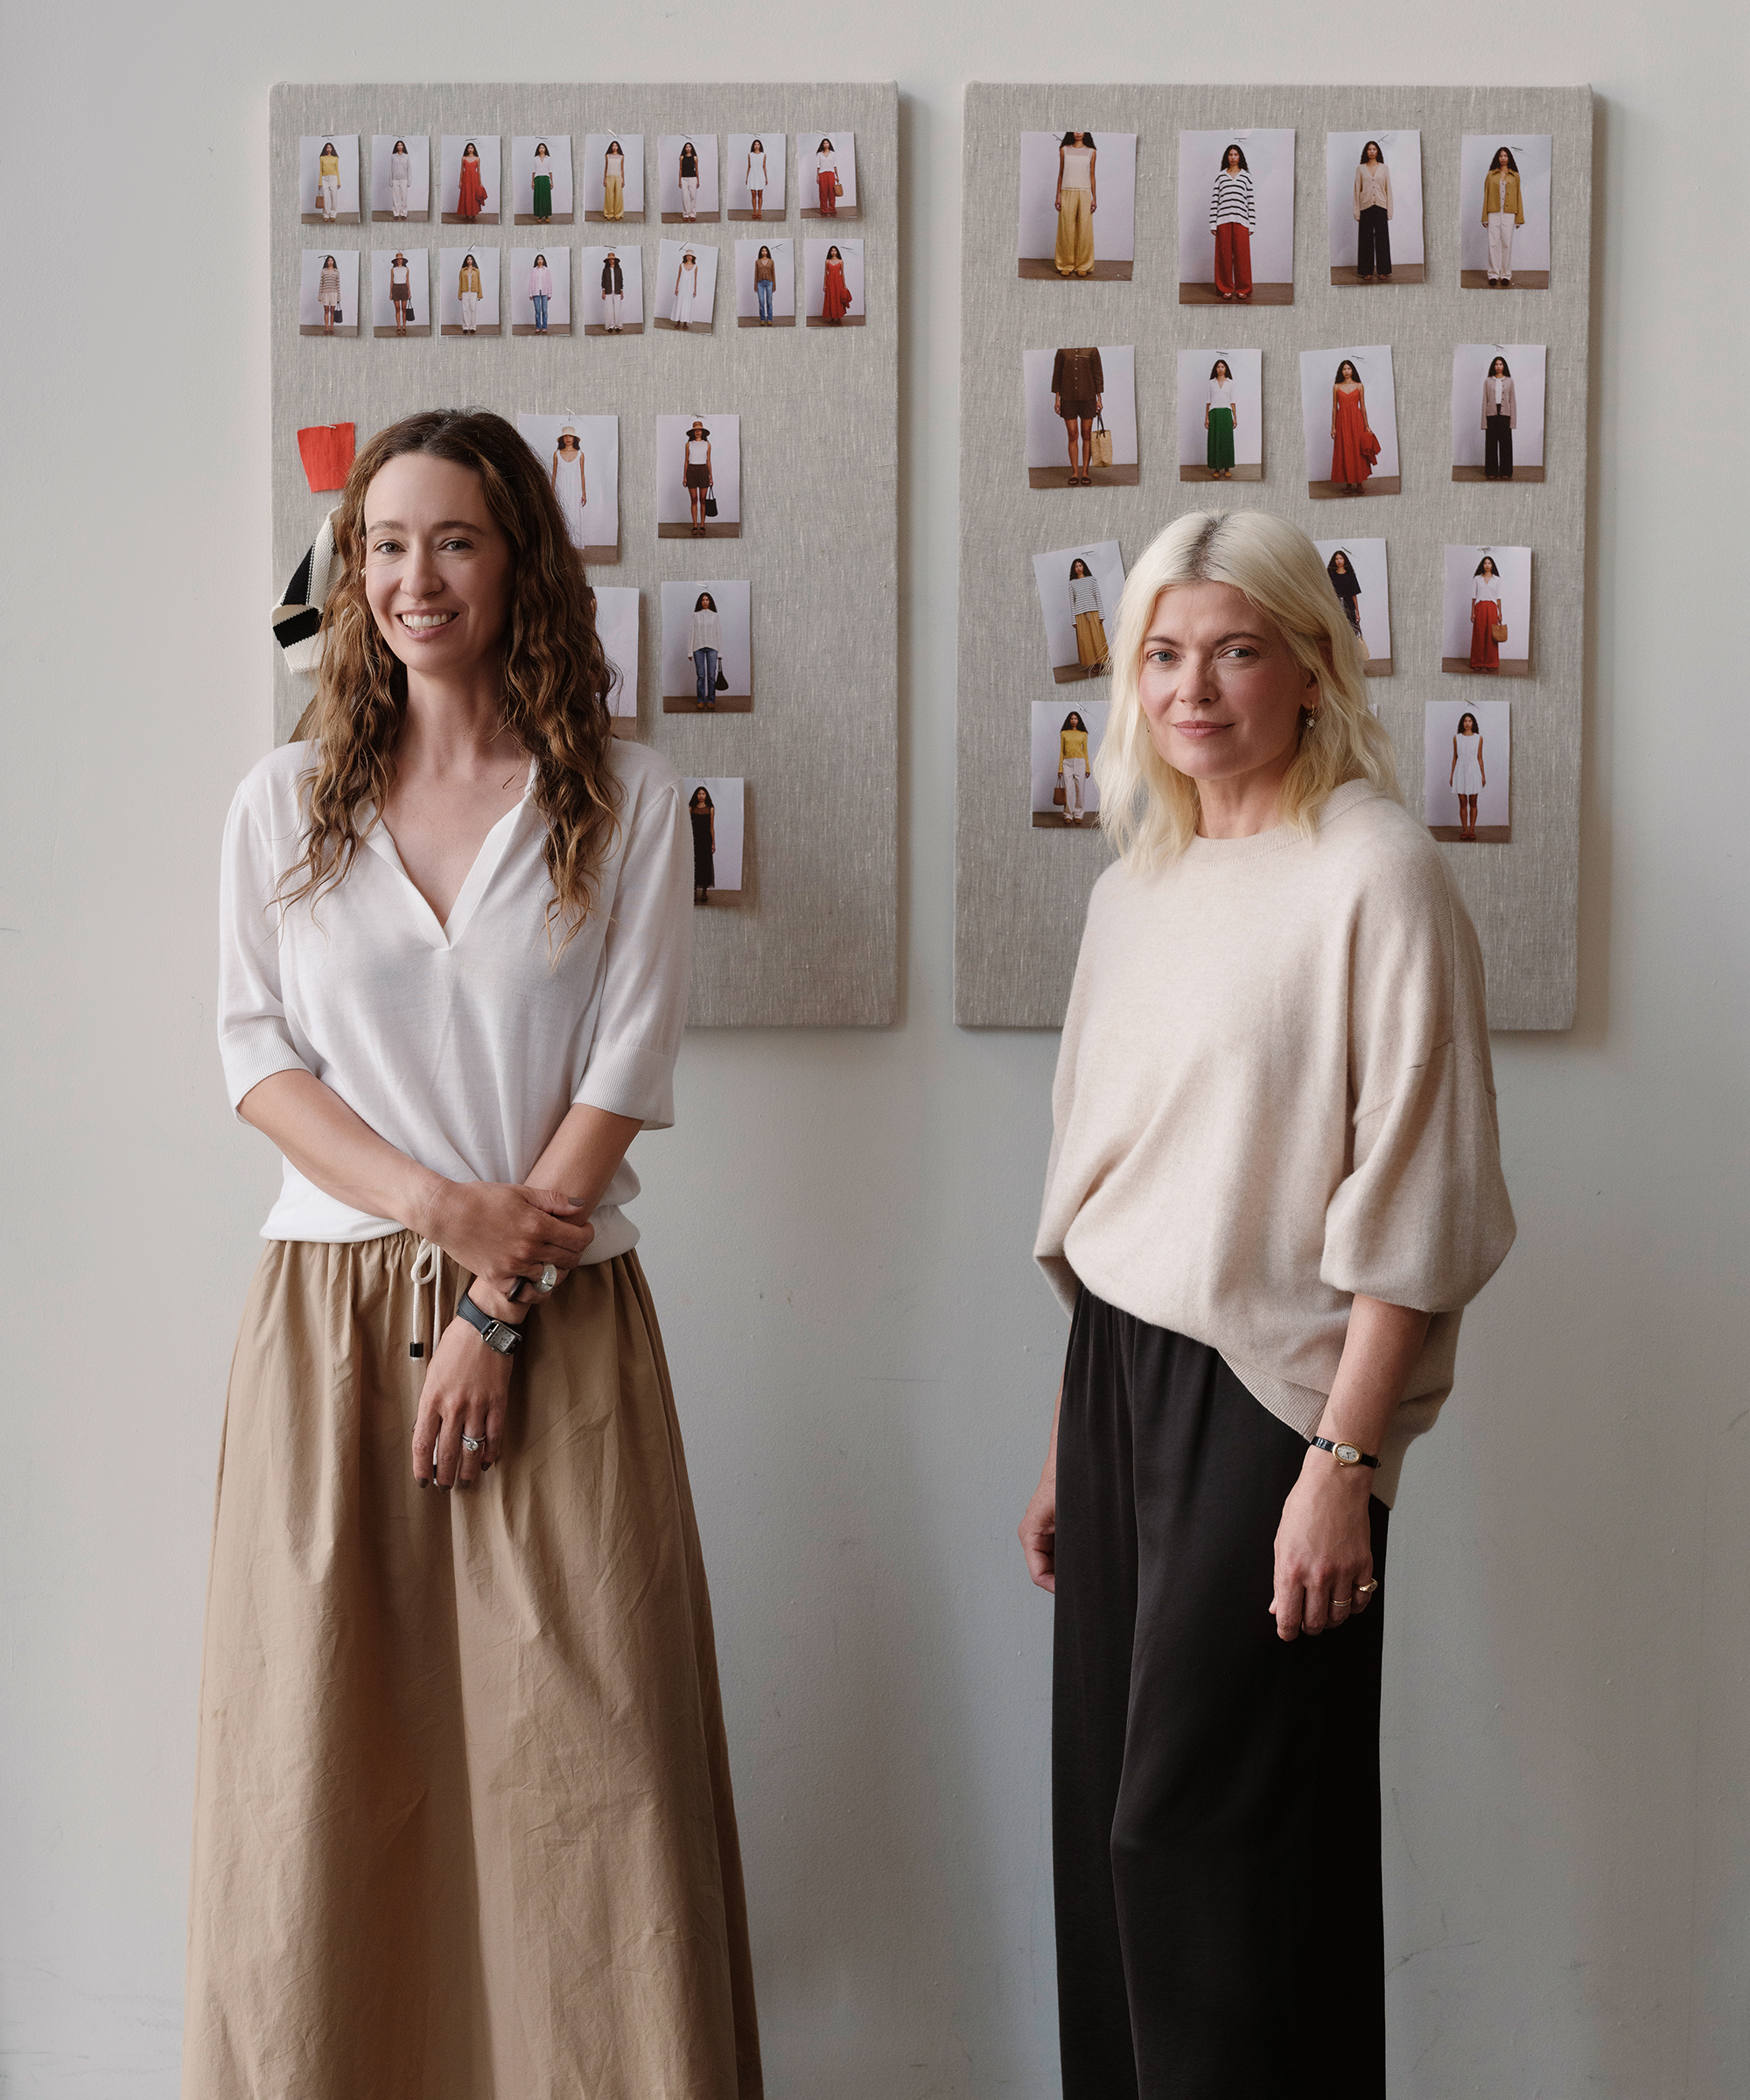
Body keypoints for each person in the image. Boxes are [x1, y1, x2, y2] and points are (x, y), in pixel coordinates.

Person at [187, 406, 763, 2099]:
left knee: (587, 1768)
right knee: (322, 1759)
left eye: (452, 541)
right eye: (382, 547)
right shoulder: (283, 802)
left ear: (519, 566)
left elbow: (623, 1073)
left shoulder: (629, 799)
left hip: (559, 1321)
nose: (414, 579)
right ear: (349, 578)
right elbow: (254, 1062)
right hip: (329, 1318)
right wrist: (442, 1215)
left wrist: (493, 1307)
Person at [1022, 507, 1515, 2100]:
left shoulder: (1374, 871)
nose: (1195, 689)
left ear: (1312, 665)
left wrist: (1346, 1464)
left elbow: (1422, 1203)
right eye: (1164, 654)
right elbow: (1109, 1196)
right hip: (1117, 1378)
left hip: (1275, 1403)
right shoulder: (1139, 886)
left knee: (1210, 1838)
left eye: (1236, 650)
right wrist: (1061, 1446)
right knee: (1112, 1823)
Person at [1051, 345, 1104, 488]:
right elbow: (1057, 373)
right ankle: (1075, 473)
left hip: (1088, 397)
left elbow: (1097, 373)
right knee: (1072, 434)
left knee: (1086, 434)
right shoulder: (1062, 350)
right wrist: (1057, 399)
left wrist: (1099, 399)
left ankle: (1085, 472)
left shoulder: (1092, 349)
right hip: (1068, 397)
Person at [1209, 143, 1254, 300]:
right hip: (1223, 221)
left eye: (1235, 154)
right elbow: (1215, 200)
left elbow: (1250, 201)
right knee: (1223, 257)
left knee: (1242, 257)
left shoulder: (1246, 176)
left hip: (1242, 221)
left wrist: (1252, 223)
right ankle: (1225, 288)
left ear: (1239, 157)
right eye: (1230, 155)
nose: (1233, 157)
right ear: (1226, 157)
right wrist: (1213, 223)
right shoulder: (1221, 176)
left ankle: (1243, 289)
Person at [1329, 358, 1376, 494]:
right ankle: (1349, 483)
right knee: (1346, 450)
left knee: (1358, 450)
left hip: (1357, 421)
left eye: (1349, 368)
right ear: (1341, 371)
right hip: (1342, 422)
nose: (1346, 371)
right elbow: (1334, 408)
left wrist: (1367, 426)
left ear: (1352, 370)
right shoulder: (1336, 387)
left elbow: (1363, 407)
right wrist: (1333, 427)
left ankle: (1360, 482)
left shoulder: (1359, 386)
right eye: (1344, 369)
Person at [1054, 130, 1097, 278]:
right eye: (1075, 129)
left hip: (1085, 193)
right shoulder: (1064, 150)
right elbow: (1060, 173)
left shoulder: (1091, 152)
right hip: (1067, 192)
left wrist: (1094, 198)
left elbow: (1092, 175)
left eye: (1081, 130)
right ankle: (1066, 264)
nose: (1078, 133)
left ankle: (1083, 265)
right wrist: (1058, 196)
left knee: (1084, 229)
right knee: (1066, 229)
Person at [1481, 145, 1523, 285]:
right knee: (1493, 244)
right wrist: (1484, 217)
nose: (1503, 158)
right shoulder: (1491, 175)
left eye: (1505, 156)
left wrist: (1519, 218)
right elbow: (1486, 196)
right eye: (1501, 156)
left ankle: (1505, 275)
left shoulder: (1515, 176)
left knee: (1507, 244)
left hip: (1509, 214)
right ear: (1497, 158)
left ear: (1509, 158)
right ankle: (1493, 274)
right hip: (1493, 213)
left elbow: (1519, 197)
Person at [1353, 139, 1393, 280]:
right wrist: (1357, 212)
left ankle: (1383, 270)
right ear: (1366, 152)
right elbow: (1357, 191)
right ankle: (1366, 271)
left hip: (1381, 207)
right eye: (1369, 149)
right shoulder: (1360, 169)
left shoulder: (1384, 168)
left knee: (1382, 240)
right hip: (1366, 207)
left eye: (1374, 149)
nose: (1371, 151)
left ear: (1378, 152)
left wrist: (1389, 211)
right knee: (1366, 240)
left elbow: (1388, 190)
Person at [550, 422, 587, 549]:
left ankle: (575, 543)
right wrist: (552, 492)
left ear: (574, 439)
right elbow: (554, 474)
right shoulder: (557, 454)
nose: (567, 439)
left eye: (570, 436)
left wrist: (584, 493)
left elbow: (582, 474)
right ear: (562, 439)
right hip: (561, 488)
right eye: (565, 436)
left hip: (575, 488)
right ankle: (562, 542)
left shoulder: (580, 455)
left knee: (574, 513)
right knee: (562, 513)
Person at [1450, 710, 1485, 839]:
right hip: (1460, 770)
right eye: (1465, 721)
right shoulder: (1457, 738)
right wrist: (1452, 775)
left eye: (1469, 721)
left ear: (1473, 723)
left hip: (1474, 770)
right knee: (1463, 802)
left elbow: (1480, 757)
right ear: (1462, 723)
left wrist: (1483, 775)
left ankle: (1472, 830)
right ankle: (1464, 830)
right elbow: (1455, 757)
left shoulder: (1478, 738)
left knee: (1473, 802)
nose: (1467, 723)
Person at [1067, 559, 1107, 672]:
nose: (1079, 568)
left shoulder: (1092, 580)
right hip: (1080, 615)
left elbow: (1097, 596)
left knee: (1097, 638)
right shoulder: (1072, 583)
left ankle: (1101, 663)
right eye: (1076, 566)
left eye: (1080, 565)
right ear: (1073, 569)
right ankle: (1093, 665)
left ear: (1084, 566)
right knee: (1086, 641)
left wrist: (1101, 614)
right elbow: (1072, 602)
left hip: (1094, 612)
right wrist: (1073, 620)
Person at [1481, 355, 1516, 480]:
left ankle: (1506, 471)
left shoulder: (1510, 381)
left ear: (1504, 366)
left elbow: (1512, 401)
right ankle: (1491, 471)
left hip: (1504, 415)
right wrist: (1484, 423)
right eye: (1496, 364)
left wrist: (1513, 422)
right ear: (1493, 366)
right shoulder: (1488, 381)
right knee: (1491, 445)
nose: (1498, 366)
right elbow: (1484, 401)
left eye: (1501, 364)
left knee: (1505, 445)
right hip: (1491, 414)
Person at [1205, 357, 1238, 478]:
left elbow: (1232, 401)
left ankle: (1227, 468)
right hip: (1214, 414)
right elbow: (1208, 401)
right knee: (1215, 441)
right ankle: (1217, 469)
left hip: (1226, 414)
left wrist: (1234, 418)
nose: (1220, 369)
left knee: (1226, 441)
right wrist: (1207, 418)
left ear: (1225, 369)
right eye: (1218, 367)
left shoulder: (1231, 383)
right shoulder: (1211, 383)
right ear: (1216, 369)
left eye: (1222, 367)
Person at [1470, 554, 1503, 671]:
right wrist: (1472, 612)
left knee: (1491, 636)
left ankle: (1491, 663)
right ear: (1482, 565)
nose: (1487, 565)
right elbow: (1473, 597)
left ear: (1492, 565)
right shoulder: (1477, 579)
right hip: (1480, 606)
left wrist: (1500, 613)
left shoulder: (1497, 580)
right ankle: (1477, 662)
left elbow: (1498, 598)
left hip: (1492, 607)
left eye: (1489, 563)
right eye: (1485, 563)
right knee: (1478, 635)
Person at [690, 590, 723, 707]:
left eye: (707, 599)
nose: (705, 602)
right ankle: (701, 700)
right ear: (700, 601)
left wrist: (720, 652)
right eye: (703, 600)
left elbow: (718, 633)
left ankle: (711, 700)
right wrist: (690, 651)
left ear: (710, 601)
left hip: (712, 647)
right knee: (701, 675)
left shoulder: (715, 616)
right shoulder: (695, 615)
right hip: (698, 648)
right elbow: (692, 633)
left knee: (711, 676)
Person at [1058, 708, 1091, 821]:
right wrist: (1060, 769)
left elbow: (1085, 751)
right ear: (1069, 720)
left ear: (1078, 720)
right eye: (1071, 718)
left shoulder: (1083, 734)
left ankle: (1078, 815)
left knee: (1080, 791)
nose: (1073, 720)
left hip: (1080, 763)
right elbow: (1061, 751)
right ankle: (1068, 815)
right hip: (1067, 763)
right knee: (1068, 791)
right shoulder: (1064, 733)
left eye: (1075, 718)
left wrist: (1088, 768)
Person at [1326, 547, 1363, 642]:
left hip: (1349, 604)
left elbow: (1354, 594)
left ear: (1345, 560)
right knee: (1338, 627)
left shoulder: (1350, 575)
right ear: (1334, 561)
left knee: (1351, 628)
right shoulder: (1331, 575)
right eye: (1337, 559)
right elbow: (1328, 592)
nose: (1339, 561)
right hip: (1336, 603)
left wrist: (1357, 613)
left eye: (1341, 558)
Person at [682, 419, 712, 536]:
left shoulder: (707, 444)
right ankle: (695, 525)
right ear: (693, 432)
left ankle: (702, 525)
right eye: (696, 430)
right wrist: (685, 476)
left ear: (703, 431)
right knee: (694, 499)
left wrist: (711, 477)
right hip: (691, 470)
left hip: (704, 470)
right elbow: (686, 461)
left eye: (700, 430)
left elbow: (709, 461)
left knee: (703, 500)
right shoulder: (688, 444)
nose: (698, 432)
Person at [690, 783, 717, 902]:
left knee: (706, 865)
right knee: (694, 865)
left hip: (706, 840)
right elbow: (688, 826)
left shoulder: (710, 809)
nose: (701, 796)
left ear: (706, 795)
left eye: (703, 794)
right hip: (694, 839)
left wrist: (713, 843)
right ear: (696, 795)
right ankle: (694, 892)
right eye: (699, 794)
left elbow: (711, 827)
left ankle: (704, 893)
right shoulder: (691, 808)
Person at [456, 140, 487, 221]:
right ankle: (467, 215)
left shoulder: (477, 159)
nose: (470, 149)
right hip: (466, 179)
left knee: (474, 196)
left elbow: (479, 171)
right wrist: (460, 182)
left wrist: (480, 182)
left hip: (474, 179)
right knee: (466, 195)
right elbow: (462, 170)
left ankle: (473, 215)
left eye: (472, 148)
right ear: (467, 149)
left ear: (474, 149)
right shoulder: (464, 158)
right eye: (469, 148)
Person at [821, 243, 851, 323]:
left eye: (835, 251)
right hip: (830, 282)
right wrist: (824, 285)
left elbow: (842, 273)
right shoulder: (827, 261)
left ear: (837, 252)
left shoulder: (841, 261)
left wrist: (844, 285)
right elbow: (825, 274)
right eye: (832, 251)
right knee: (831, 299)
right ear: (830, 252)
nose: (833, 252)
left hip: (838, 282)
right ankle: (832, 318)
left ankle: (839, 318)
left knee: (838, 299)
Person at [671, 247, 700, 328]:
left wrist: (695, 290)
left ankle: (685, 323)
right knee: (679, 303)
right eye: (687, 255)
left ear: (693, 257)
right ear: (685, 257)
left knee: (687, 305)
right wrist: (676, 288)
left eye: (690, 255)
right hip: (682, 287)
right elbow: (679, 276)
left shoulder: (695, 267)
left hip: (689, 288)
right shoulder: (681, 265)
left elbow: (695, 278)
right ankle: (678, 322)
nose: (689, 257)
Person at [457, 250, 483, 333]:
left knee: (473, 309)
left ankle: (472, 327)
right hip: (465, 291)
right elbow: (460, 282)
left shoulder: (476, 271)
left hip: (474, 292)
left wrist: (480, 294)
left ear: (473, 261)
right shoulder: (462, 271)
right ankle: (465, 327)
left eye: (471, 259)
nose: (469, 261)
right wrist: (460, 294)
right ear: (466, 261)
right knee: (465, 309)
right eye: (468, 259)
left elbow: (479, 282)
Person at [599, 246, 625, 331]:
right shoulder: (605, 270)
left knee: (618, 308)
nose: (611, 261)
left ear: (615, 260)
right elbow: (603, 281)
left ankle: (618, 326)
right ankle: (610, 326)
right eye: (609, 259)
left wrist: (622, 291)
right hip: (608, 291)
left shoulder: (619, 270)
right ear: (608, 261)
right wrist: (603, 292)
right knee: (609, 309)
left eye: (612, 259)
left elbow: (621, 280)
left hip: (617, 291)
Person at [528, 252, 553, 334]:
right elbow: (531, 282)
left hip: (545, 292)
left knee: (544, 311)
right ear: (536, 261)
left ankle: (544, 327)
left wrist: (550, 293)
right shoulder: (534, 271)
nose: (540, 260)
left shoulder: (547, 270)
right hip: (536, 292)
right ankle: (538, 327)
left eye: (541, 259)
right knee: (537, 311)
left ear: (543, 260)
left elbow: (549, 282)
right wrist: (530, 293)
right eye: (538, 259)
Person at [815, 136, 840, 215]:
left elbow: (835, 166)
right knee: (823, 193)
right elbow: (818, 167)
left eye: (827, 143)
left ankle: (832, 210)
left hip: (831, 174)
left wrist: (837, 176)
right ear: (822, 145)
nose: (826, 145)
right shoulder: (819, 154)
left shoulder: (833, 154)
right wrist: (817, 177)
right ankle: (824, 211)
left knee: (832, 193)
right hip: (822, 174)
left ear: (829, 144)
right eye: (824, 143)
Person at [602, 137, 626, 220]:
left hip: (618, 177)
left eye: (616, 146)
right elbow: (606, 168)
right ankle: (609, 213)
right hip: (609, 177)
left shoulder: (621, 157)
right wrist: (605, 179)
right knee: (609, 196)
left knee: (618, 196)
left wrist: (623, 180)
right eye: (613, 146)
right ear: (611, 147)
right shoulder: (608, 156)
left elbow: (622, 169)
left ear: (618, 147)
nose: (615, 147)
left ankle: (618, 213)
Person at [388, 249, 411, 336]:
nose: (399, 261)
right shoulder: (393, 270)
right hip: (396, 288)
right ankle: (398, 327)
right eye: (398, 259)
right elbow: (391, 281)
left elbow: (408, 281)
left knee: (404, 309)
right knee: (397, 309)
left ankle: (404, 327)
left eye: (401, 259)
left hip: (404, 288)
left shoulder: (406, 269)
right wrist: (391, 293)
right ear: (396, 261)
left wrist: (409, 292)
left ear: (403, 260)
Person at [318, 253, 341, 334]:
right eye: (329, 261)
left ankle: (332, 328)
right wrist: (320, 295)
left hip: (334, 293)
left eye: (332, 260)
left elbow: (338, 284)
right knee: (326, 310)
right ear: (327, 262)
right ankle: (326, 328)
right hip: (325, 293)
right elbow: (321, 283)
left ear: (334, 262)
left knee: (333, 311)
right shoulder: (323, 271)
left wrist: (338, 296)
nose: (330, 262)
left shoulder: (336, 272)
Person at [530, 140, 554, 222]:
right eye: (540, 148)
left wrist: (552, 182)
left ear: (545, 149)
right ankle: (540, 216)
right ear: (538, 149)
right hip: (538, 179)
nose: (541, 149)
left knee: (546, 198)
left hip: (545, 179)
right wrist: (533, 182)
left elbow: (550, 171)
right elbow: (533, 171)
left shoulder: (548, 159)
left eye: (543, 147)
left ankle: (547, 216)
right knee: (539, 198)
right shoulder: (535, 159)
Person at [318, 140, 341, 220]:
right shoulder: (322, 158)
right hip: (324, 179)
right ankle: (325, 215)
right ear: (325, 149)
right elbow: (321, 170)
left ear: (332, 149)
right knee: (325, 197)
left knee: (334, 197)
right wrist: (320, 182)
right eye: (327, 148)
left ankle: (333, 215)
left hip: (333, 178)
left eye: (330, 147)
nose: (328, 149)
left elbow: (337, 170)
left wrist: (338, 181)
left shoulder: (335, 158)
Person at [753, 242, 776, 324]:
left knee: (769, 302)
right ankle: (762, 319)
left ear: (767, 252)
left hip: (770, 282)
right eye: (762, 251)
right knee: (761, 302)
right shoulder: (757, 261)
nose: (764, 252)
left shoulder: (771, 261)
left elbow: (773, 274)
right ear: (760, 252)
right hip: (760, 283)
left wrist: (774, 286)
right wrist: (755, 286)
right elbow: (756, 274)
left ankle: (770, 319)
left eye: (765, 251)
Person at [389, 137, 411, 220]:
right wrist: (390, 181)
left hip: (404, 179)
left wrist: (409, 181)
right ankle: (396, 213)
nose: (400, 147)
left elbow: (409, 169)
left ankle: (403, 213)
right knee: (395, 197)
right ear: (396, 147)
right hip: (395, 179)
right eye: (398, 145)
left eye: (401, 145)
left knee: (404, 197)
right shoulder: (393, 156)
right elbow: (390, 169)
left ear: (403, 146)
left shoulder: (406, 157)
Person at [745, 138, 767, 217]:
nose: (756, 146)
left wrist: (766, 177)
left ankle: (759, 212)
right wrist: (747, 178)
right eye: (755, 144)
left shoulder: (763, 155)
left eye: (758, 144)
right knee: (753, 194)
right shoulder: (750, 155)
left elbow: (764, 167)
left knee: (760, 194)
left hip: (760, 175)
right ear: (753, 146)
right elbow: (749, 166)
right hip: (752, 175)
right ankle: (754, 212)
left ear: (760, 145)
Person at [678, 138, 700, 220]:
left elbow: (696, 169)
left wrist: (698, 180)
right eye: (686, 147)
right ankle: (686, 214)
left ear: (691, 148)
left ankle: (693, 214)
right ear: (685, 148)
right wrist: (679, 180)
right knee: (685, 197)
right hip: (684, 178)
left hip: (693, 178)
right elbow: (680, 169)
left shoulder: (695, 158)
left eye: (689, 147)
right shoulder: (682, 157)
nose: (688, 148)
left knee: (693, 196)